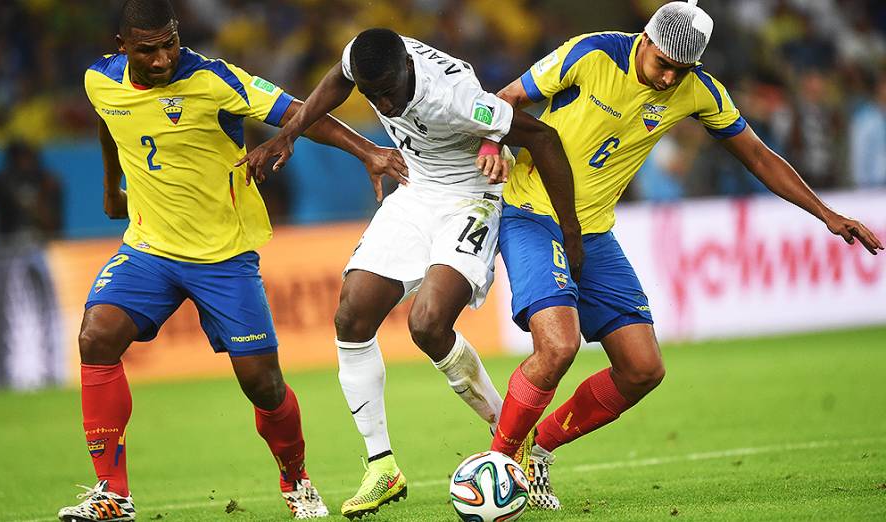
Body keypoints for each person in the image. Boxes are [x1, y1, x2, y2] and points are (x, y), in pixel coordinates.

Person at [478, 0, 884, 510]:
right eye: (663, 64)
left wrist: (825, 213)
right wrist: (492, 144)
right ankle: (495, 466)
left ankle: (540, 450)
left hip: (593, 232)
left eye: (681, 70)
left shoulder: (699, 90)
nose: (670, 78)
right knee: (558, 348)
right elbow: (507, 98)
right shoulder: (593, 53)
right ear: (644, 39)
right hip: (531, 213)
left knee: (643, 369)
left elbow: (757, 154)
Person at [58, 1, 407, 520]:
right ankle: (113, 494)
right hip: (148, 249)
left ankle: (297, 481)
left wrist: (369, 152)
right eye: (147, 49)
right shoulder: (98, 80)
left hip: (223, 257)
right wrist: (113, 189)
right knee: (96, 336)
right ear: (122, 45)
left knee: (263, 385)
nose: (162, 59)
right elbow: (108, 121)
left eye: (170, 43)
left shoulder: (216, 80)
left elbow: (296, 113)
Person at [239, 27, 582, 519]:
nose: (384, 102)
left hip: (470, 197)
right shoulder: (366, 57)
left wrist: (569, 231)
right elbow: (339, 78)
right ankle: (382, 466)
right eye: (373, 94)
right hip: (416, 189)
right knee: (351, 315)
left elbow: (543, 138)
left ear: (408, 70)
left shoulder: (453, 98)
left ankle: (510, 437)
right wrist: (289, 135)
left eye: (390, 92)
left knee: (427, 324)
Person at [0, 140, 63, 241]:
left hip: (41, 240)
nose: (25, 162)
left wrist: (37, 203)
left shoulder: (46, 180)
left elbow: (54, 222)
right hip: (8, 240)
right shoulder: (1, 180)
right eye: (20, 157)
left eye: (28, 157)